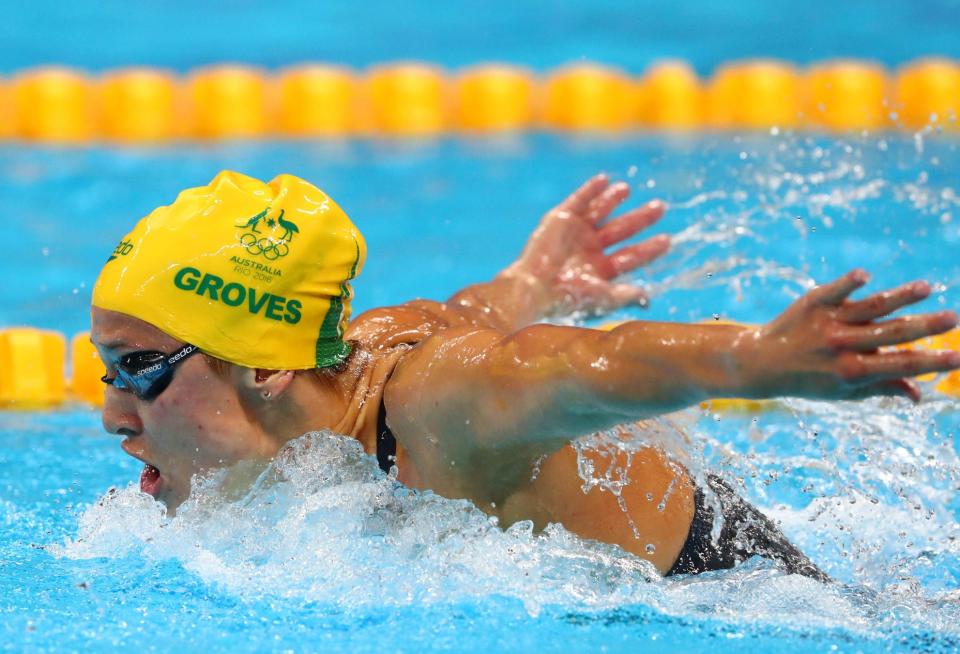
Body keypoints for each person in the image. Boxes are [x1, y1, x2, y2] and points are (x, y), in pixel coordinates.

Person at [91, 171, 960, 580]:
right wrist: (535, 278)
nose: (111, 416)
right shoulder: (343, 357)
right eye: (107, 370)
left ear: (266, 367)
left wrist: (760, 358)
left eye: (140, 371)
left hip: (741, 599)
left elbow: (586, 365)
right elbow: (474, 310)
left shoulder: (434, 408)